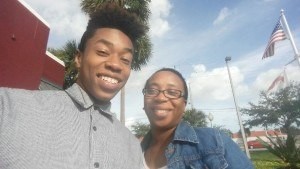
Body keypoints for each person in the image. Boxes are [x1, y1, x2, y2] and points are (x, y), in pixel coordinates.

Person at [0, 3, 147, 169]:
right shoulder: (9, 107)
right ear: (78, 58)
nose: (115, 64)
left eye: (125, 60)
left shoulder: (133, 147)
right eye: (103, 52)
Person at [141, 68, 254, 169]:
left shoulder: (214, 142)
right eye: (152, 91)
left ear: (184, 105)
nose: (160, 98)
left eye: (172, 92)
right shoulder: (132, 149)